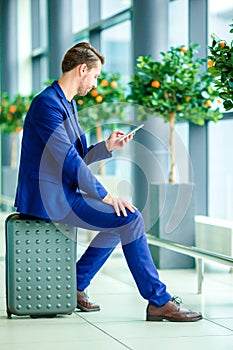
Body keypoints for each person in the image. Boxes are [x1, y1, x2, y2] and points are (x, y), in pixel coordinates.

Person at [14, 42, 202, 322]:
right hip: (48, 198)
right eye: (96, 76)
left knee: (124, 218)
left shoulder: (67, 104)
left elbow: (76, 156)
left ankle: (75, 284)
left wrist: (107, 146)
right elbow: (68, 161)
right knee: (129, 217)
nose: (96, 83)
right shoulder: (47, 105)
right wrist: (105, 196)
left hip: (62, 191)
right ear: (82, 69)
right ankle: (158, 300)